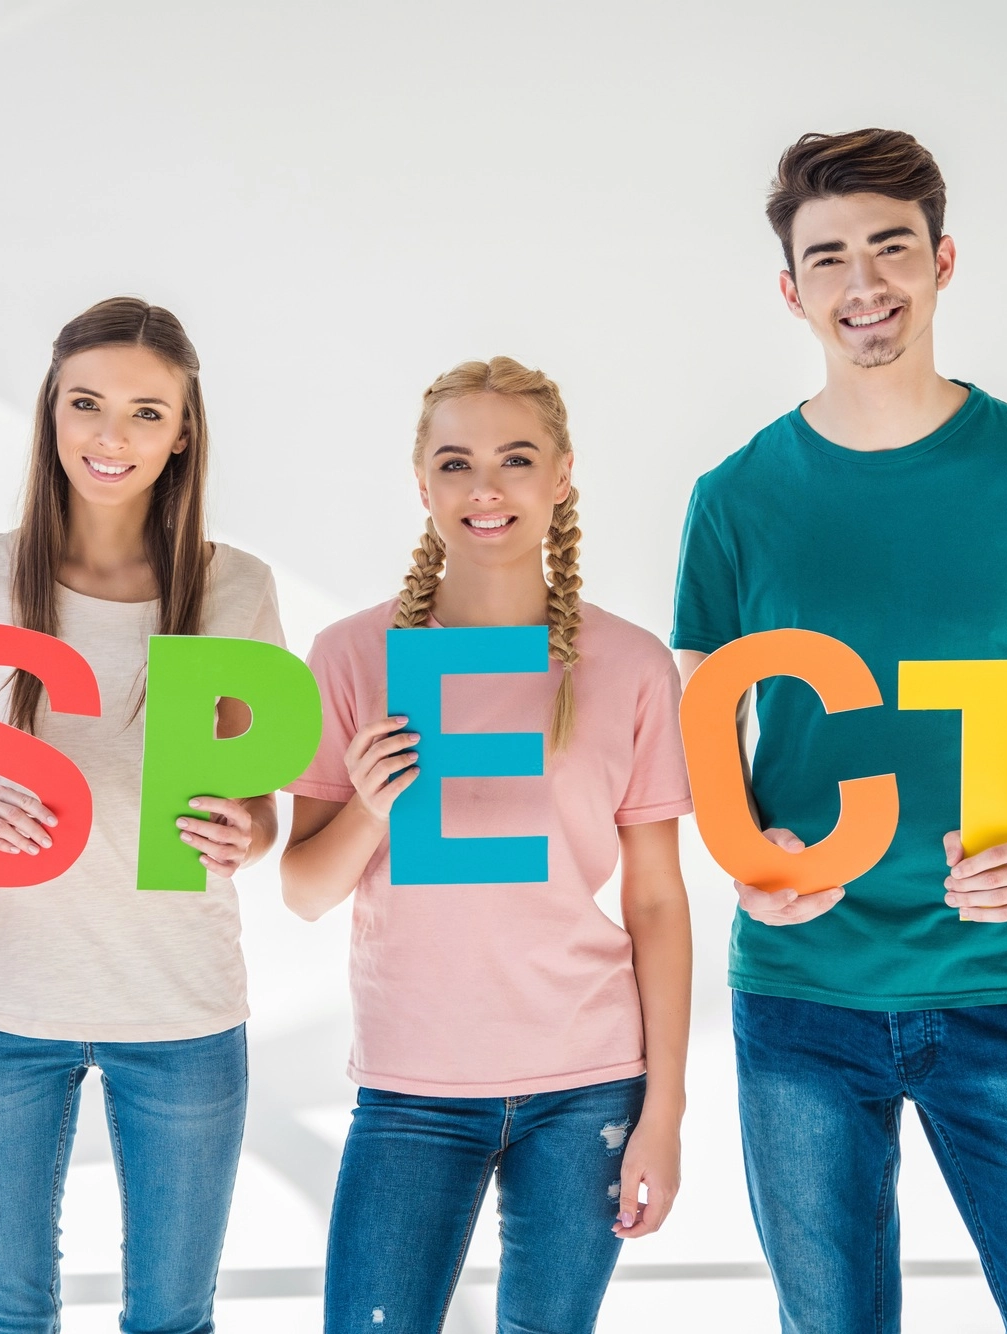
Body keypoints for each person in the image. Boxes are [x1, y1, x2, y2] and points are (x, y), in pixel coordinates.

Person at [672, 129, 1007, 1333]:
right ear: (790, 290)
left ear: (941, 261)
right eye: (826, 256)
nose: (862, 282)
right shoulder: (731, 500)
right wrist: (745, 856)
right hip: (798, 994)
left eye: (890, 246)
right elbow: (698, 735)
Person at [282, 357, 694, 1332]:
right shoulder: (350, 655)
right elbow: (301, 887)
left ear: (560, 476)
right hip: (410, 1084)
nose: (485, 487)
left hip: (585, 1078)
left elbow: (656, 901)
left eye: (515, 458)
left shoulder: (628, 663)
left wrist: (664, 1111)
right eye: (456, 462)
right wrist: (372, 805)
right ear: (421, 482)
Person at [0, 297, 285, 1334]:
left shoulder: (233, 586)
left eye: (143, 412)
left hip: (182, 1007)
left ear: (182, 432)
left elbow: (262, 806)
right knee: (5, 1314)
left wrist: (245, 832)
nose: (109, 438)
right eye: (85, 403)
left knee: (171, 1316)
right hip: (0, 1004)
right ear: (49, 411)